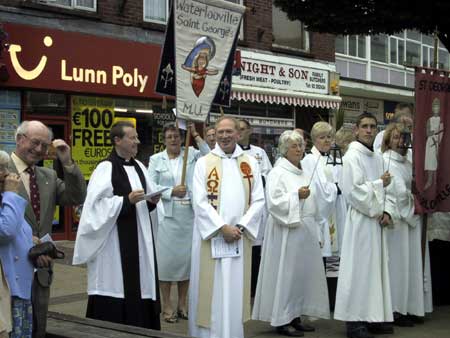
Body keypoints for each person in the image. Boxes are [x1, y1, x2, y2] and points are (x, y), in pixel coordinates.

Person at [73, 121, 162, 330]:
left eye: (137, 137)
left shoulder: (140, 166)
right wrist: (125, 201)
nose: (137, 142)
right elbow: (94, 209)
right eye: (132, 137)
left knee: (142, 285)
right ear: (117, 140)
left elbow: (145, 202)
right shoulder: (105, 168)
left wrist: (152, 201)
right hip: (114, 246)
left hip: (140, 240)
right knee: (117, 285)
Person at [189, 116, 265, 338]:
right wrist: (222, 227)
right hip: (212, 237)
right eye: (220, 132)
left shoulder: (250, 162)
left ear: (238, 134)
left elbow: (259, 199)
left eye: (229, 131)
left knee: (233, 291)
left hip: (238, 238)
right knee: (209, 292)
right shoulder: (204, 162)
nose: (224, 136)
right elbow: (199, 201)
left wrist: (240, 227)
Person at [9, 120, 86, 337]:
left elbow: (77, 196)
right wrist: (27, 242)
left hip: (42, 268)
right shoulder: (2, 170)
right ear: (19, 139)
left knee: (38, 328)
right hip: (9, 270)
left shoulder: (48, 177)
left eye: (44, 145)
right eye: (35, 143)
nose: (39, 149)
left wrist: (67, 162)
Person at [252, 131, 330, 337]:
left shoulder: (303, 170)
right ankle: (282, 318)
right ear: (285, 150)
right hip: (286, 230)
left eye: (301, 145)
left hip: (305, 230)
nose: (299, 149)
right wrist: (296, 195)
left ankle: (296, 315)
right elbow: (274, 202)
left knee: (300, 276)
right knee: (285, 275)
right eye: (294, 146)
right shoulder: (278, 172)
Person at [334, 113, 394, 338]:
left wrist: (386, 210)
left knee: (375, 271)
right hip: (360, 220)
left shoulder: (376, 156)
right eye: (365, 127)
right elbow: (353, 191)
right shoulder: (352, 156)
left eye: (373, 127)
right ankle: (355, 321)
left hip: (376, 221)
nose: (369, 130)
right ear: (356, 130)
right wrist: (380, 184)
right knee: (359, 270)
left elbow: (386, 189)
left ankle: (373, 316)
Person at [148, 123, 208, 323]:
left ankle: (183, 304)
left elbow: (209, 156)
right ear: (164, 140)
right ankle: (167, 306)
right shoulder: (156, 160)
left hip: (189, 216)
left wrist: (196, 135)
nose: (173, 139)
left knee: (186, 264)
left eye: (176, 136)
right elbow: (150, 185)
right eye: (170, 136)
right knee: (166, 264)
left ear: (182, 139)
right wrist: (170, 191)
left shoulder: (191, 154)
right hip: (167, 217)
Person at [381, 123, 433, 326]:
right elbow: (399, 194)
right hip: (399, 223)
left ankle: (411, 306)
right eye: (395, 137)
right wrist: (415, 200)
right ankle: (396, 309)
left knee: (411, 266)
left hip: (411, 220)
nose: (400, 141)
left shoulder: (407, 162)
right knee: (398, 267)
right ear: (387, 140)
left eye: (403, 138)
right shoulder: (386, 161)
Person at [237, 118, 272, 297]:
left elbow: (268, 173)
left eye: (243, 129)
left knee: (257, 249)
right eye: (238, 129)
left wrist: (259, 179)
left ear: (250, 131)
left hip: (258, 207)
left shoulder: (259, 153)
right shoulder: (233, 154)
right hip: (241, 206)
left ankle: (255, 288)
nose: (240, 132)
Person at [302, 122, 338, 257]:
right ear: (314, 139)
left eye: (329, 137)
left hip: (334, 210)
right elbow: (318, 190)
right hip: (319, 214)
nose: (327, 140)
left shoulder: (332, 158)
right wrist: (335, 188)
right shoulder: (310, 160)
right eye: (322, 137)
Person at [424, 98, 444, 190]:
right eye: (434, 106)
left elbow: (441, 132)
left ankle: (436, 181)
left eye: (437, 106)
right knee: (430, 161)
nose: (436, 108)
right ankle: (430, 180)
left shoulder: (441, 120)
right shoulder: (429, 120)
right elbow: (427, 133)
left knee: (436, 162)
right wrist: (435, 131)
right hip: (430, 142)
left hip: (437, 142)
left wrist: (438, 142)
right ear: (432, 108)